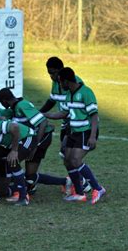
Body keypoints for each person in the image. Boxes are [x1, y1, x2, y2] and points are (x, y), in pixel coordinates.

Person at [45, 67, 106, 205]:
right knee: (67, 160)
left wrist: (92, 136)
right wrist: (44, 115)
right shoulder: (69, 94)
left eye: (60, 82)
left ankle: (98, 188)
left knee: (76, 160)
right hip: (73, 131)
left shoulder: (86, 92)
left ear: (66, 81)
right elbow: (63, 114)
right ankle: (79, 194)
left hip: (86, 131)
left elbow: (94, 115)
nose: (59, 85)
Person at [0, 88, 71, 196]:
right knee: (30, 176)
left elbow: (43, 122)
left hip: (42, 138)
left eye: (1, 102)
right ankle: (65, 182)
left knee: (13, 162)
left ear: (4, 100)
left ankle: (22, 191)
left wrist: (35, 145)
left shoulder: (22, 105)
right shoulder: (15, 107)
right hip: (33, 139)